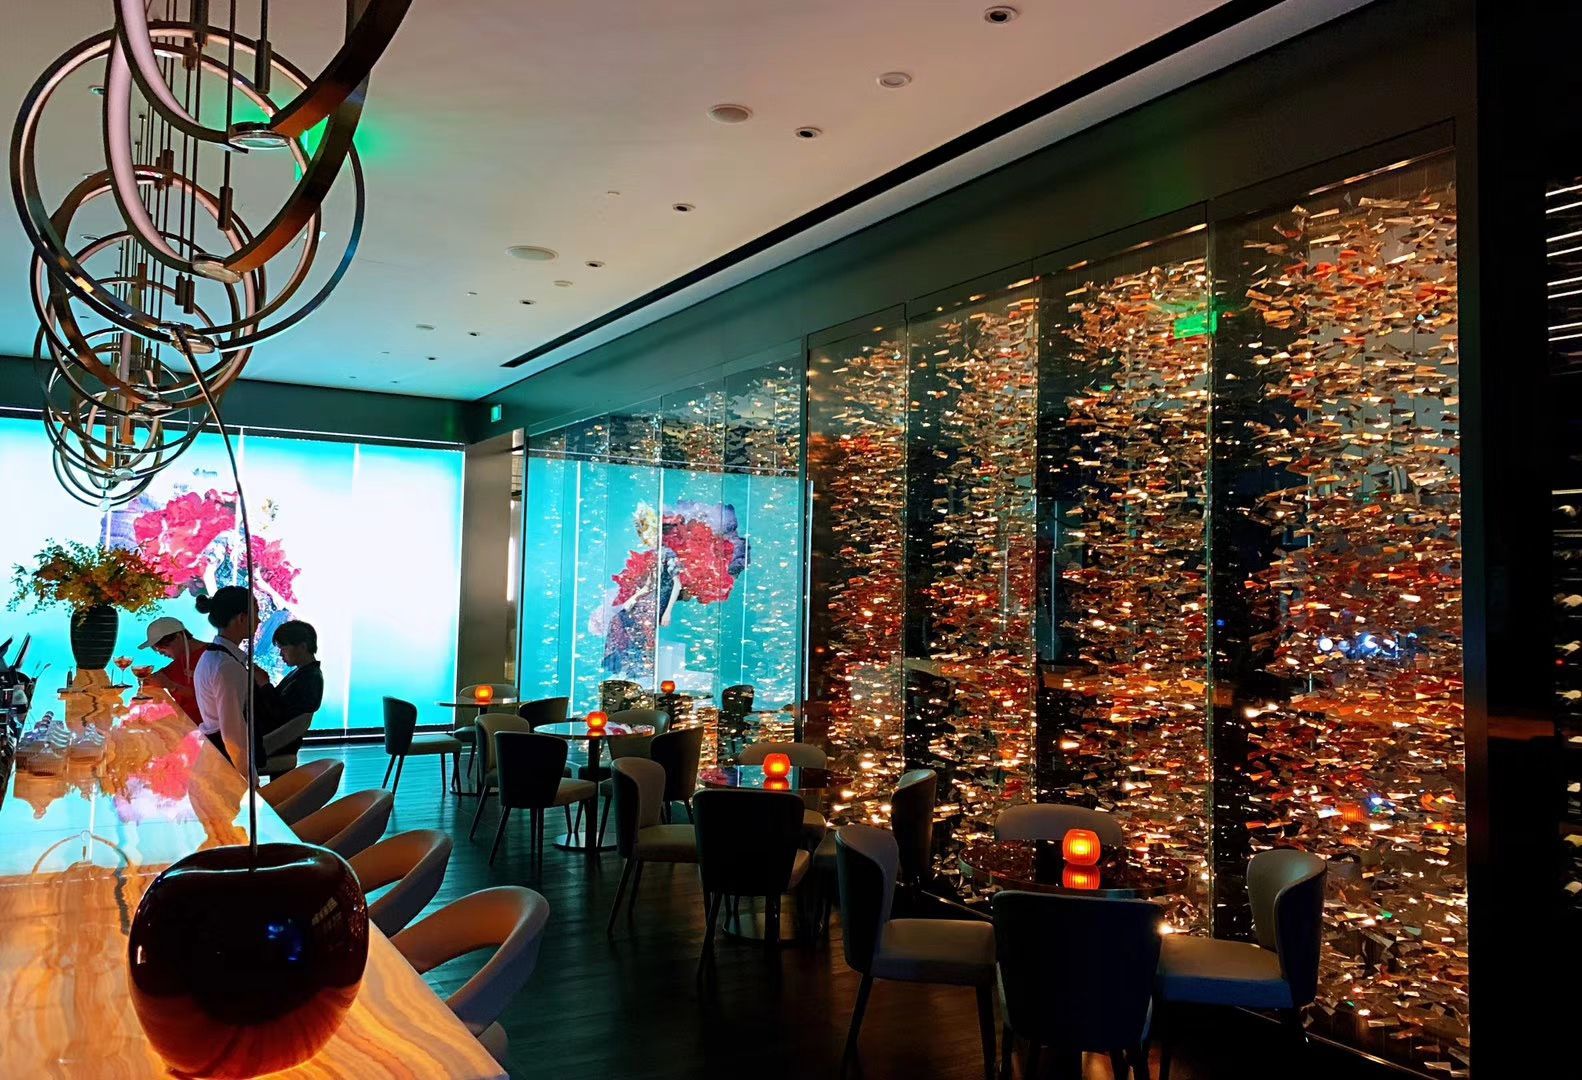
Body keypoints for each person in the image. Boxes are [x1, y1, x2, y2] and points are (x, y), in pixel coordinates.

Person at [192, 585, 257, 775]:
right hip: (224, 764)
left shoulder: (213, 657)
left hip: (215, 756)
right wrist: (249, 779)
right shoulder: (226, 666)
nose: (259, 620)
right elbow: (232, 736)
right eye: (256, 613)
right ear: (242, 618)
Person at [252, 620, 323, 761]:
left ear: (302, 647)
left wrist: (264, 684)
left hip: (276, 745)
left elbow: (278, 715)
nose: (280, 654)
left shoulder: (310, 679)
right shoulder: (302, 673)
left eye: (284, 649)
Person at [138, 616, 204, 725]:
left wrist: (170, 685)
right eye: (155, 648)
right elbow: (151, 681)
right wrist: (147, 681)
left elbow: (207, 697)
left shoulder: (214, 656)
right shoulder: (177, 664)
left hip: (216, 730)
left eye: (160, 645)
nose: (160, 652)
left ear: (178, 637)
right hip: (187, 727)